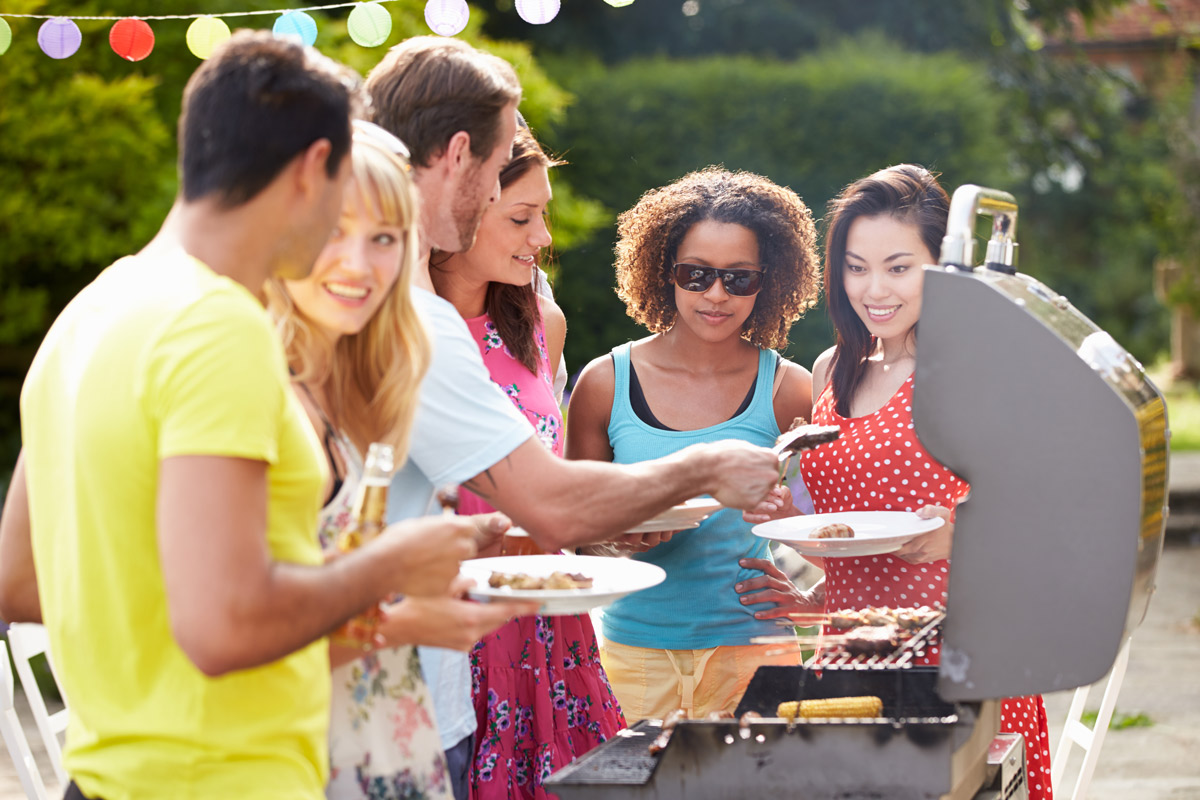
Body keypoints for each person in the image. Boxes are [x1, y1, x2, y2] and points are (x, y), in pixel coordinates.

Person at [0, 33, 477, 800]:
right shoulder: (219, 326)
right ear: (309, 168)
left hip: (107, 778)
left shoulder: (92, 308)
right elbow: (227, 626)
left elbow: (20, 580)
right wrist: (393, 563)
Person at [364, 36, 781, 799]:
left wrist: (601, 527)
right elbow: (546, 495)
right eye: (503, 192)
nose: (540, 237)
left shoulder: (433, 311)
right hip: (410, 674)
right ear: (460, 159)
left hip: (469, 657)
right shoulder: (404, 320)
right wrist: (704, 466)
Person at [736, 164, 1053, 800]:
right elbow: (857, 530)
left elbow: (1049, 517)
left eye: (899, 267)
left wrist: (961, 535)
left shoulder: (973, 371)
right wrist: (814, 592)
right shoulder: (835, 367)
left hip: (961, 667)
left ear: (943, 267)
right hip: (851, 657)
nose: (873, 288)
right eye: (856, 266)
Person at [266, 122, 534, 799]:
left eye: (385, 238)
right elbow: (225, 635)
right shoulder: (247, 380)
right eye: (333, 230)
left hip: (387, 735)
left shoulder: (346, 376)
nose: (360, 263)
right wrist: (403, 608)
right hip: (296, 756)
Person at [564, 166, 822, 721]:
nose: (716, 294)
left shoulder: (788, 388)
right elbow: (574, 532)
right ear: (665, 272)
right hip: (631, 656)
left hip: (754, 653)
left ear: (769, 280)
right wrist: (619, 540)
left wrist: (805, 581)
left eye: (740, 278)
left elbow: (832, 527)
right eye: (696, 274)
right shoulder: (605, 383)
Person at [431, 127, 625, 799]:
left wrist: (611, 528)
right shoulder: (395, 333)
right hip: (449, 634)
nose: (542, 236)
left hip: (549, 629)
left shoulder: (544, 322)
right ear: (459, 206)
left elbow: (550, 481)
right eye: (522, 217)